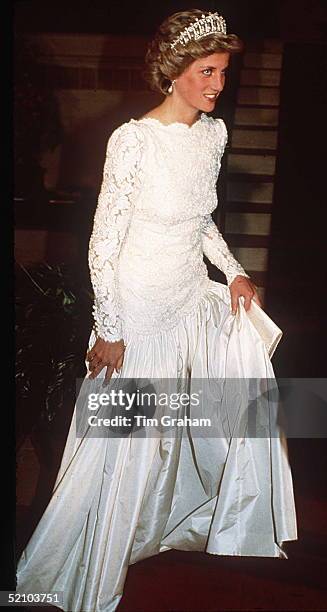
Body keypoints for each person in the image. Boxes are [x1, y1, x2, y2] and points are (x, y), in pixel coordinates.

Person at [16, 9, 298, 612]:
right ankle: (70, 574)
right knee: (117, 442)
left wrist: (237, 272)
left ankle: (169, 520)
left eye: (223, 71)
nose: (218, 84)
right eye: (206, 71)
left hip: (185, 295)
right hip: (136, 310)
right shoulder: (134, 140)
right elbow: (103, 244)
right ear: (173, 74)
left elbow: (201, 223)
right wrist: (111, 330)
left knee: (210, 397)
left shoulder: (214, 134)